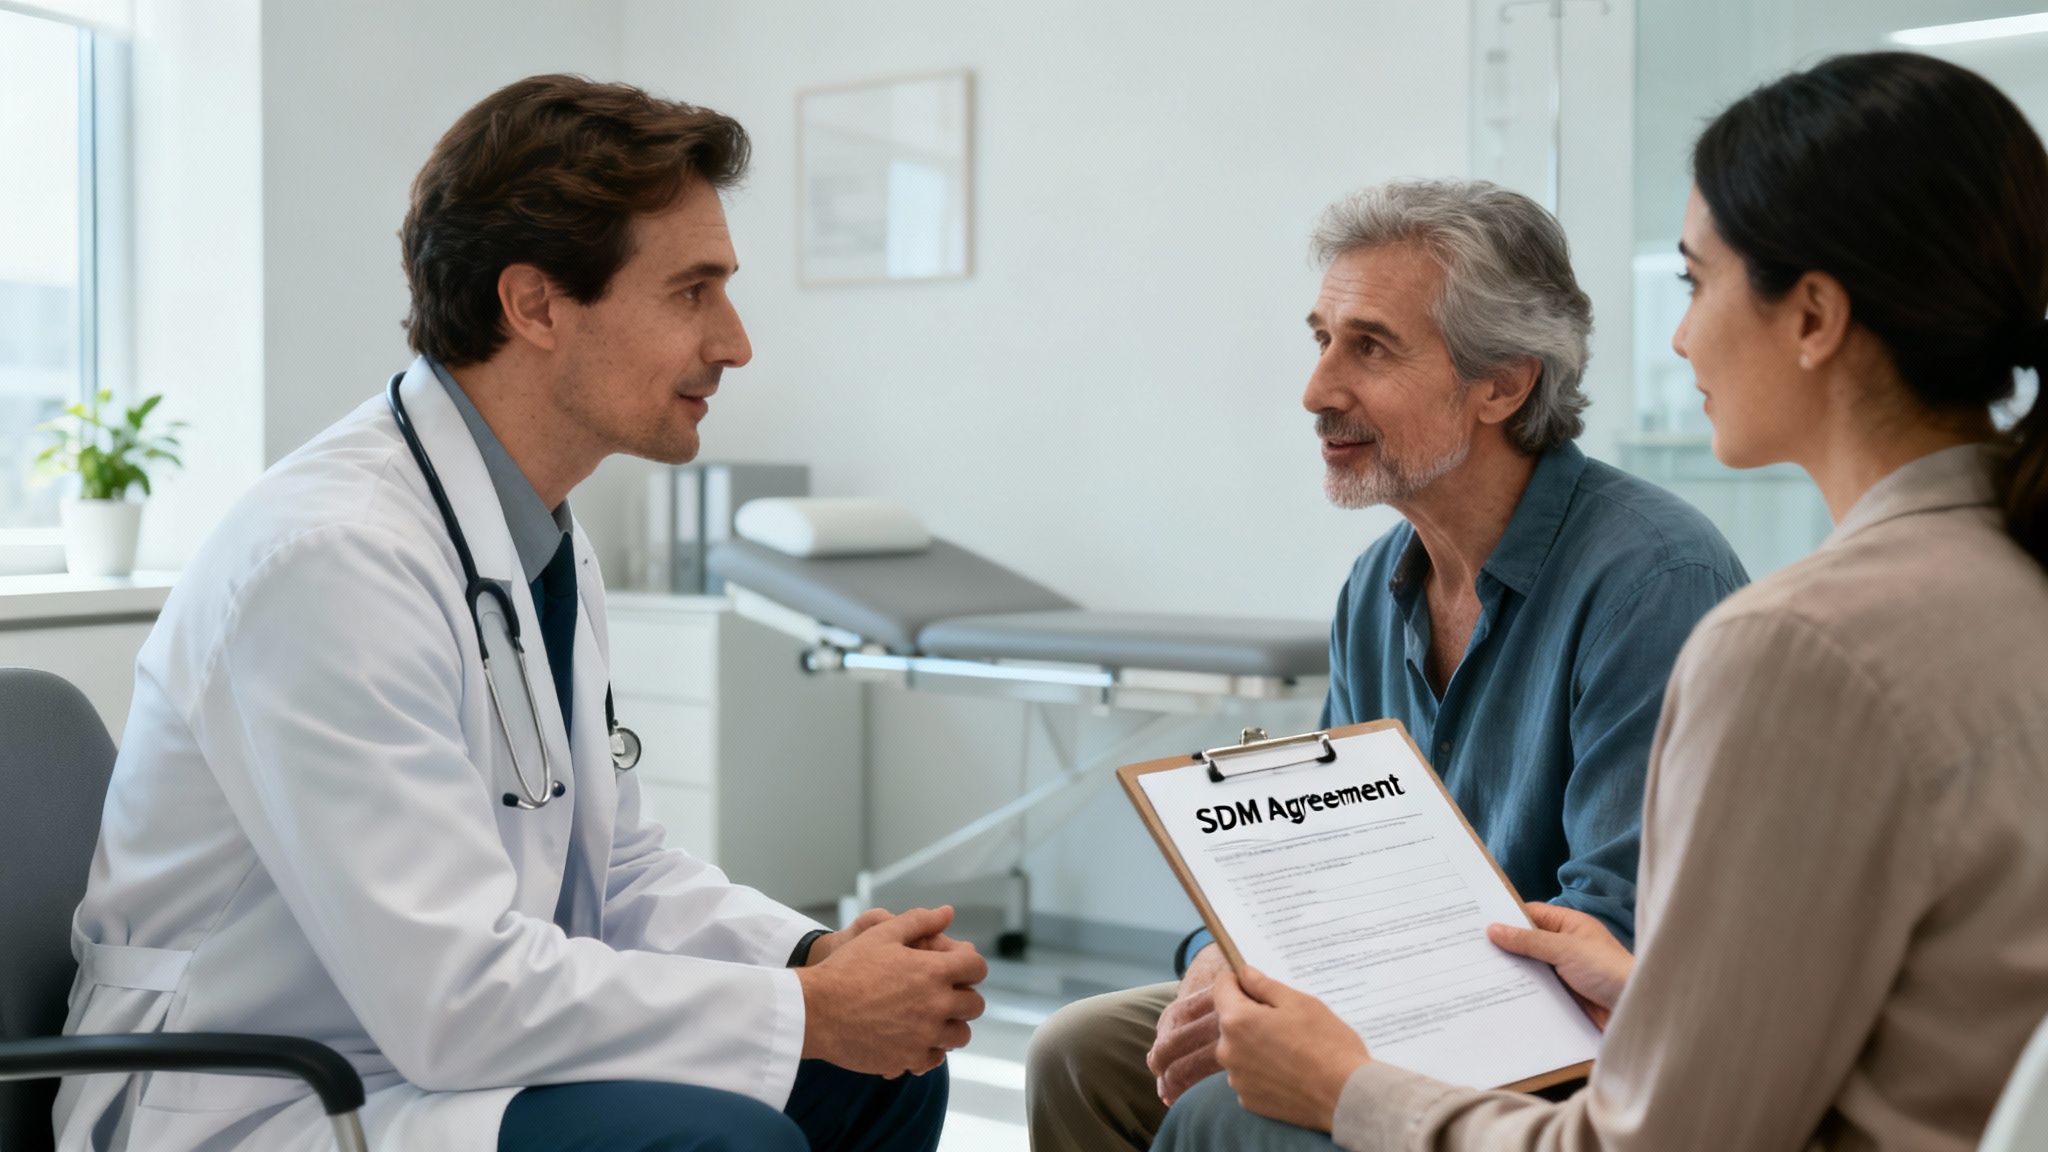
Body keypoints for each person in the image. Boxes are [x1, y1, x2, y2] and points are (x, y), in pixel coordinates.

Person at [53, 76, 985, 1152]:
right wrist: (813, 1014)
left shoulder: (529, 531)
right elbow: (451, 998)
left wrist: (813, 963)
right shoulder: (332, 560)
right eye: (692, 292)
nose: (734, 343)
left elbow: (615, 871)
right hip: (254, 1087)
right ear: (535, 304)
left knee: (881, 1080)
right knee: (726, 1141)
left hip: (418, 1049)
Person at [1153, 51, 2048, 1152]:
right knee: (1116, 1061)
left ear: (1810, 316)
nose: (1676, 337)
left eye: (1691, 281)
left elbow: (1653, 1141)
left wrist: (1346, 1089)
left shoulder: (1794, 644)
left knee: (1216, 1123)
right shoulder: (2002, 577)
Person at [1027, 180, 1746, 1151]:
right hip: (1385, 990)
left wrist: (1342, 1024)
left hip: (1565, 1040)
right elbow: (1303, 859)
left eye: (1367, 346)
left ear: (1503, 383)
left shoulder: (1650, 580)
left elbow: (1618, 927)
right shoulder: (1378, 586)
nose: (1316, 390)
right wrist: (1215, 963)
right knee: (1078, 1050)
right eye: (1320, 338)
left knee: (1218, 1111)